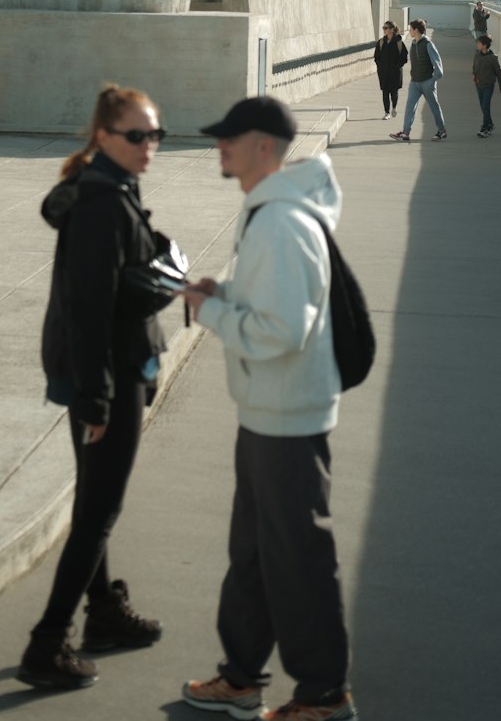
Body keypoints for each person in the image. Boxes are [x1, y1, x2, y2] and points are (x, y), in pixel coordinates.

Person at [182, 96, 357, 721]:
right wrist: (224, 292)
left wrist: (213, 312)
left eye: (230, 136)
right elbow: (273, 302)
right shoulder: (268, 215)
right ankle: (241, 678)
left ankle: (324, 695)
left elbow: (284, 329)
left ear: (265, 147)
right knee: (255, 553)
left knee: (298, 560)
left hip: (286, 418)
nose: (218, 146)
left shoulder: (284, 224)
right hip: (267, 412)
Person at [17, 83, 177, 691]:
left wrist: (156, 259)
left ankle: (104, 614)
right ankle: (47, 644)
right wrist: (97, 396)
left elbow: (116, 279)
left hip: (114, 364)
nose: (148, 146)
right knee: (99, 510)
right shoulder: (101, 202)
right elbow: (87, 308)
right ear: (103, 137)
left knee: (94, 500)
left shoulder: (113, 189)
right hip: (106, 371)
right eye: (136, 135)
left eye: (155, 134)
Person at [390, 18, 447, 141]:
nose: (409, 31)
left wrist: (432, 80)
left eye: (410, 29)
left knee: (434, 107)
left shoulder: (428, 44)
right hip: (414, 82)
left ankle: (442, 131)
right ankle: (405, 133)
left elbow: (439, 68)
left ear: (416, 30)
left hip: (427, 82)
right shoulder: (414, 43)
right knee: (410, 107)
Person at [472, 33, 501, 137]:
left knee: (486, 106)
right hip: (479, 85)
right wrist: (474, 76)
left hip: (488, 85)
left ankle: (485, 127)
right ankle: (490, 124)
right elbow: (474, 67)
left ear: (485, 45)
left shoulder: (492, 58)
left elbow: (499, 73)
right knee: (483, 106)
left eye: (479, 43)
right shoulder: (477, 55)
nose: (477, 45)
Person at [373, 19, 407, 118]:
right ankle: (386, 112)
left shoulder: (399, 42)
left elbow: (404, 57)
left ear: (392, 29)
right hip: (383, 72)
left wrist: (397, 66)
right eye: (383, 28)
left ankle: (394, 107)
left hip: (395, 72)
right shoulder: (381, 42)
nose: (384, 30)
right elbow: (376, 56)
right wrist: (380, 66)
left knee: (394, 92)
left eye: (385, 28)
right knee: (385, 92)